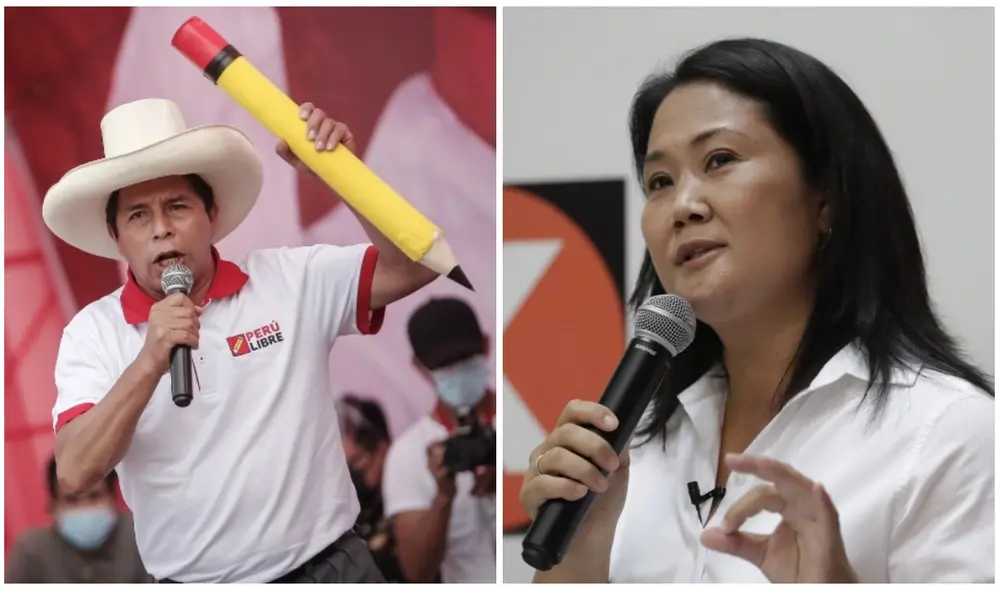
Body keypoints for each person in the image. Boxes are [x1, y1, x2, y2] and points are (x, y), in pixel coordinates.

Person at [519, 38, 995, 583]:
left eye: (719, 160)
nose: (683, 206)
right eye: (660, 182)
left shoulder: (946, 435)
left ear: (825, 199)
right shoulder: (635, 447)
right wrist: (581, 550)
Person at [44, 97, 441, 583]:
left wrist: (345, 177)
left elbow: (415, 265)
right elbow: (76, 471)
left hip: (332, 568)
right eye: (138, 216)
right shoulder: (92, 333)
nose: (162, 228)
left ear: (211, 212)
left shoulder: (290, 280)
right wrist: (149, 361)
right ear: (115, 235)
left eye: (177, 206)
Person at [382, 297, 497, 583]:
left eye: (465, 358)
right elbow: (417, 573)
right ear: (419, 366)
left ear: (486, 345)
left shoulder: (528, 423)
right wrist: (444, 496)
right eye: (445, 364)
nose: (458, 370)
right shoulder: (408, 454)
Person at [6, 458, 149, 583]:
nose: (84, 507)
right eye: (71, 500)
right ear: (53, 507)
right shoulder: (32, 552)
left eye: (95, 496)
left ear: (114, 498)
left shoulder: (141, 535)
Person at [337, 395, 406, 582]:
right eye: (346, 468)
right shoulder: (352, 518)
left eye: (357, 462)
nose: (354, 475)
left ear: (382, 449)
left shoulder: (407, 498)